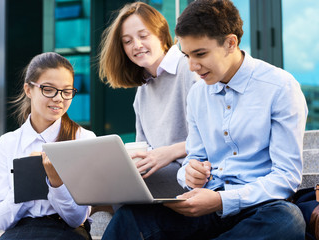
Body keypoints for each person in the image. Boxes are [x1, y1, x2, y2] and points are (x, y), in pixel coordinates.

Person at [101, 0, 308, 239]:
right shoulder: (198, 94)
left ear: (231, 43)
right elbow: (194, 157)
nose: (192, 66)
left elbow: (286, 177)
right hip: (204, 206)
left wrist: (221, 200)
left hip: (256, 205)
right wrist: (190, 173)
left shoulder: (280, 87)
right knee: (130, 217)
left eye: (200, 54)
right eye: (187, 55)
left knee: (287, 220)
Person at [0, 52, 95, 240]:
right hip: (19, 232)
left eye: (67, 91)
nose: (59, 98)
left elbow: (77, 218)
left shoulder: (84, 139)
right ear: (28, 90)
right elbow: (1, 220)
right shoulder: (7, 143)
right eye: (49, 89)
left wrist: (56, 182)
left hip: (66, 233)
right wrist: (26, 180)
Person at [99, 1, 197, 197]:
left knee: (120, 189)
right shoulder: (143, 90)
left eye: (143, 36)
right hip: (160, 173)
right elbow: (143, 149)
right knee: (104, 181)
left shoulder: (189, 69)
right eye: (127, 41)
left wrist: (166, 153)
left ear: (161, 36)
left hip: (192, 173)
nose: (136, 45)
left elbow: (213, 137)